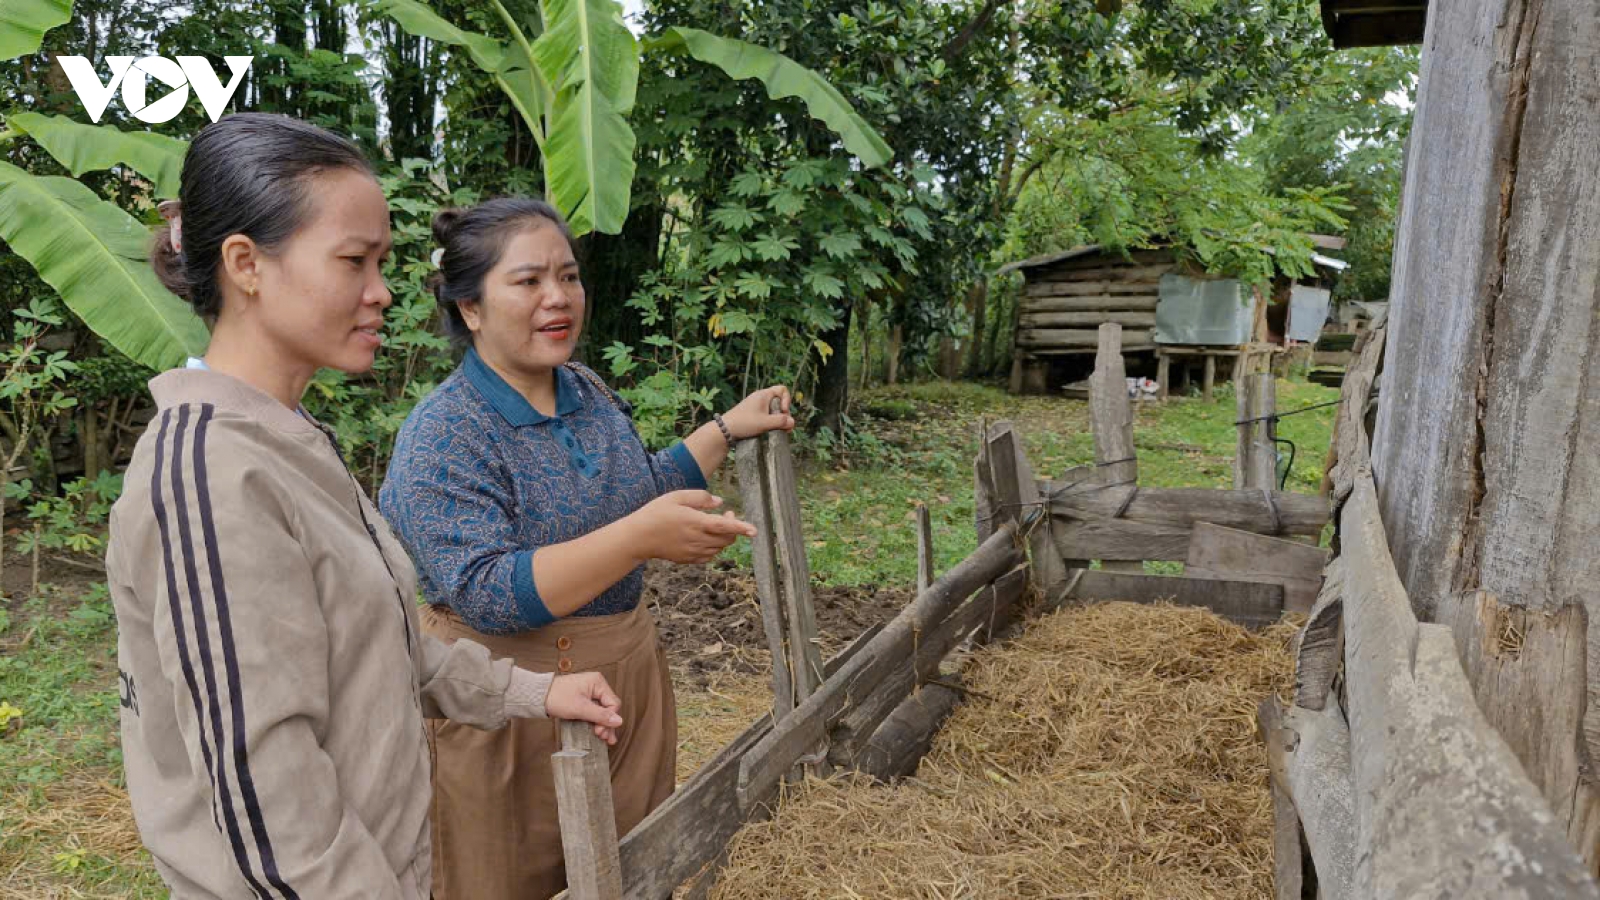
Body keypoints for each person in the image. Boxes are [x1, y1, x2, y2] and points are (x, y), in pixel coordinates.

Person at [106, 113, 624, 900]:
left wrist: (531, 691)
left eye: (381, 261)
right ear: (246, 263)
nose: (382, 292)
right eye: (355, 261)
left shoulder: (287, 439)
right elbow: (269, 799)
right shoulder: (210, 475)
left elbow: (380, 646)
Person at [378, 197, 795, 898]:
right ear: (471, 307)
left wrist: (726, 427)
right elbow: (485, 588)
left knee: (633, 871)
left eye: (568, 277)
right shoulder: (443, 435)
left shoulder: (585, 389)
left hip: (624, 688)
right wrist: (639, 540)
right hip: (510, 705)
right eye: (529, 281)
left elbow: (636, 488)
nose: (558, 298)